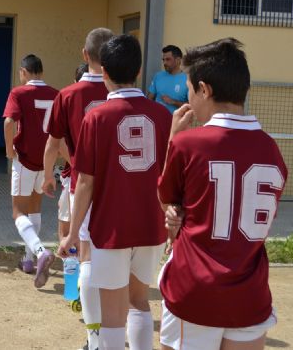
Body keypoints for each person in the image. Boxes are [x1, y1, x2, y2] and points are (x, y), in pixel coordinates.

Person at [158, 38, 287, 350]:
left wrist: (174, 137)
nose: (188, 98)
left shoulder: (190, 144)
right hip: (249, 292)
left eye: (189, 89)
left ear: (205, 90)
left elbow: (166, 198)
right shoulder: (270, 148)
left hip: (195, 288)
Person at [58, 35, 171, 350]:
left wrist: (69, 235)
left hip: (111, 227)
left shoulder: (96, 117)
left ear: (103, 72)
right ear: (138, 71)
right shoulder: (163, 115)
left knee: (112, 315)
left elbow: (85, 181)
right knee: (139, 301)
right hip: (151, 224)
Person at [43, 27, 113, 350]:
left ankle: (94, 337)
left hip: (79, 180)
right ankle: (111, 332)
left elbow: (53, 144)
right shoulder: (123, 92)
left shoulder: (68, 95)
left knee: (83, 251)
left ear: (85, 56)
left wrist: (47, 176)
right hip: (117, 185)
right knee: (114, 260)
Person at [3, 54, 58, 284]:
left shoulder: (19, 92)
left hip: (24, 159)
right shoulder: (56, 93)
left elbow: (8, 121)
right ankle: (28, 259)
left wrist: (9, 150)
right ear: (41, 72)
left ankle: (38, 251)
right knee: (35, 208)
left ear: (23, 72)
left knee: (18, 212)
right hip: (46, 160)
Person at [57, 63, 88, 243]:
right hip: (97, 175)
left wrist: (77, 165)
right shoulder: (106, 100)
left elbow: (58, 143)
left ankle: (72, 265)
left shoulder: (68, 98)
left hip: (75, 175)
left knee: (67, 223)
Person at [147, 45, 187, 114]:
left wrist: (174, 102)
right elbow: (149, 98)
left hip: (175, 123)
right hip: (157, 120)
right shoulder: (158, 76)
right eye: (163, 60)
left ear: (178, 60)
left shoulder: (188, 79)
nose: (164, 63)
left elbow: (191, 107)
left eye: (168, 59)